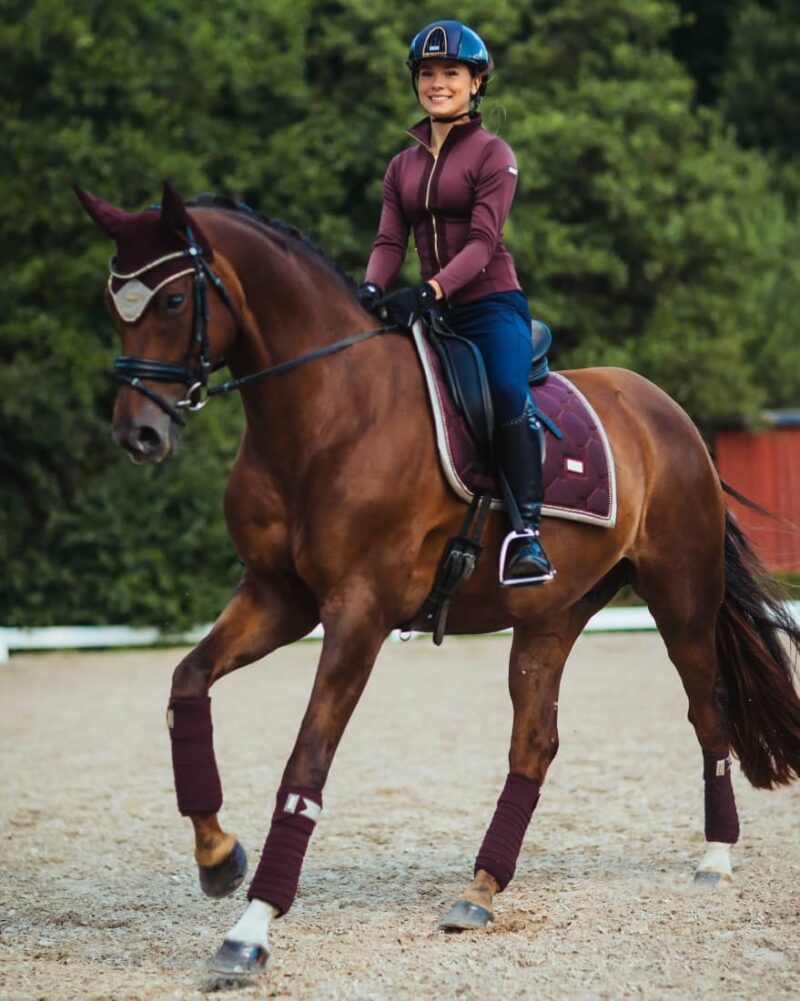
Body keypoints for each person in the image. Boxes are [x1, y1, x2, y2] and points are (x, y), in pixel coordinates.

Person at [358, 20, 554, 585]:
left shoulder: (495, 153)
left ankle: (528, 536)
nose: (437, 83)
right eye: (427, 74)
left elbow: (482, 244)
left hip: (491, 304)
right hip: (434, 310)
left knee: (505, 391)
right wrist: (370, 290)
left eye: (450, 73)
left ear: (476, 83)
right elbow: (389, 241)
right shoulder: (402, 166)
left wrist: (429, 290)